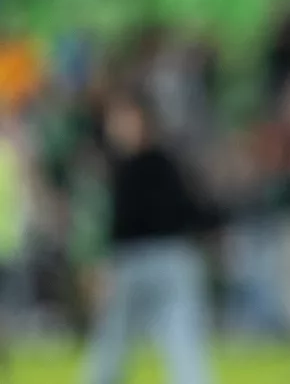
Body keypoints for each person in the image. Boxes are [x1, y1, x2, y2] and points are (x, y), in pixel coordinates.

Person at [84, 92, 213, 384]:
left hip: (156, 259)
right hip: (152, 261)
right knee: (115, 347)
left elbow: (122, 223)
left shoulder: (144, 165)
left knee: (177, 344)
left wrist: (103, 266)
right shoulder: (159, 162)